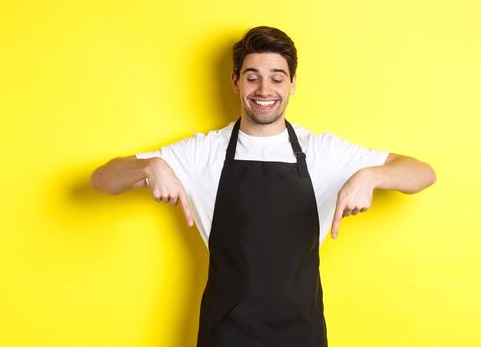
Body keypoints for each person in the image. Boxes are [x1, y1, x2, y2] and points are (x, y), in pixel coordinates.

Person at [90, 26, 435, 347]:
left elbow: (422, 173)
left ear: (293, 83)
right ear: (235, 82)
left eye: (277, 78)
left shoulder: (323, 152)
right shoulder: (203, 152)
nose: (265, 90)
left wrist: (372, 176)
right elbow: (102, 179)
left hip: (301, 330)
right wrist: (150, 166)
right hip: (225, 332)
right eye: (252, 77)